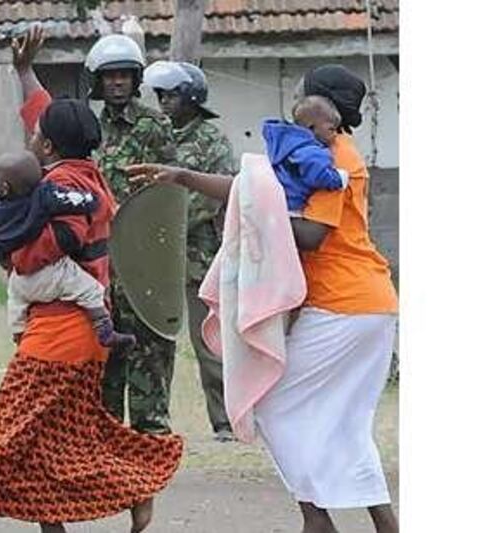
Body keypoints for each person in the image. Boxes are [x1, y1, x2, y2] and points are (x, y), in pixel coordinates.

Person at [126, 64, 400, 533]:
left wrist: (254, 213)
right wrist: (184, 177)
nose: (294, 105)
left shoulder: (334, 157)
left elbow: (310, 233)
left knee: (270, 401)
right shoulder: (315, 150)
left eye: (304, 98)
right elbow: (254, 192)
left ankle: (316, 519)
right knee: (345, 424)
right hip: (358, 304)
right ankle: (367, 520)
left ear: (326, 111)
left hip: (347, 303)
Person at [0, 96, 183, 533]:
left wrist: (11, 249)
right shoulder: (84, 175)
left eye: (36, 134)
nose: (31, 136)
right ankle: (96, 508)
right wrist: (27, 74)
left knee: (6, 435)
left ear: (49, 146)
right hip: (72, 327)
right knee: (54, 440)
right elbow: (50, 120)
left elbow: (53, 246)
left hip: (61, 329)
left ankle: (136, 481)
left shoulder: (68, 187)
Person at [8, 25, 179, 435]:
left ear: (136, 79)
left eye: (124, 74)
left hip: (142, 274)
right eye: (109, 75)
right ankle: (105, 490)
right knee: (100, 402)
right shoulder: (86, 128)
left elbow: (171, 198)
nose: (117, 81)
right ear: (97, 81)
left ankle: (145, 486)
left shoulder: (155, 126)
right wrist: (25, 70)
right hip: (97, 275)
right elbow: (43, 115)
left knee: (149, 390)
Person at [143, 60, 236, 441]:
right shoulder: (153, 135)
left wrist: (165, 220)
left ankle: (227, 423)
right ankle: (152, 421)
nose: (164, 101)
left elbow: (208, 202)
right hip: (151, 257)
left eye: (172, 95)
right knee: (150, 343)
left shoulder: (213, 142)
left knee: (210, 343)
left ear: (192, 99)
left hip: (197, 259)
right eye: (160, 95)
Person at [0, 150, 135, 349]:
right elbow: (73, 201)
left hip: (20, 280)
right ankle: (104, 330)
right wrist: (92, 200)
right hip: (52, 273)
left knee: (15, 304)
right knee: (90, 290)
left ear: (3, 188)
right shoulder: (45, 195)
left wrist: (8, 263)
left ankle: (20, 337)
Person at [262, 95, 349, 214]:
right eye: (331, 129)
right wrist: (339, 178)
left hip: (276, 199)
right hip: (292, 205)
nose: (335, 135)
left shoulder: (288, 144)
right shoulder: (311, 151)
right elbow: (318, 175)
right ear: (312, 127)